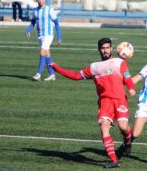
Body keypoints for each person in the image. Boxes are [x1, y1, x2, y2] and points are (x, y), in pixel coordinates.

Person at [50, 38, 136, 169]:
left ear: (111, 49)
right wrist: (58, 69)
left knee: (123, 127)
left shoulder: (119, 62)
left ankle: (128, 141)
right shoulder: (94, 67)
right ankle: (114, 160)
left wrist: (131, 88)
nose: (105, 50)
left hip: (119, 99)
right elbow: (76, 76)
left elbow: (127, 77)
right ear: (99, 50)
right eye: (103, 48)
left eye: (107, 48)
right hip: (105, 102)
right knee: (104, 127)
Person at [26, 0, 62, 81]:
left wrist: (59, 37)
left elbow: (56, 24)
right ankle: (52, 74)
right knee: (46, 54)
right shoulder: (35, 10)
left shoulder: (49, 10)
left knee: (42, 51)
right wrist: (28, 30)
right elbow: (33, 22)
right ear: (37, 0)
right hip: (40, 35)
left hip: (48, 35)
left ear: (45, 0)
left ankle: (38, 74)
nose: (40, 1)